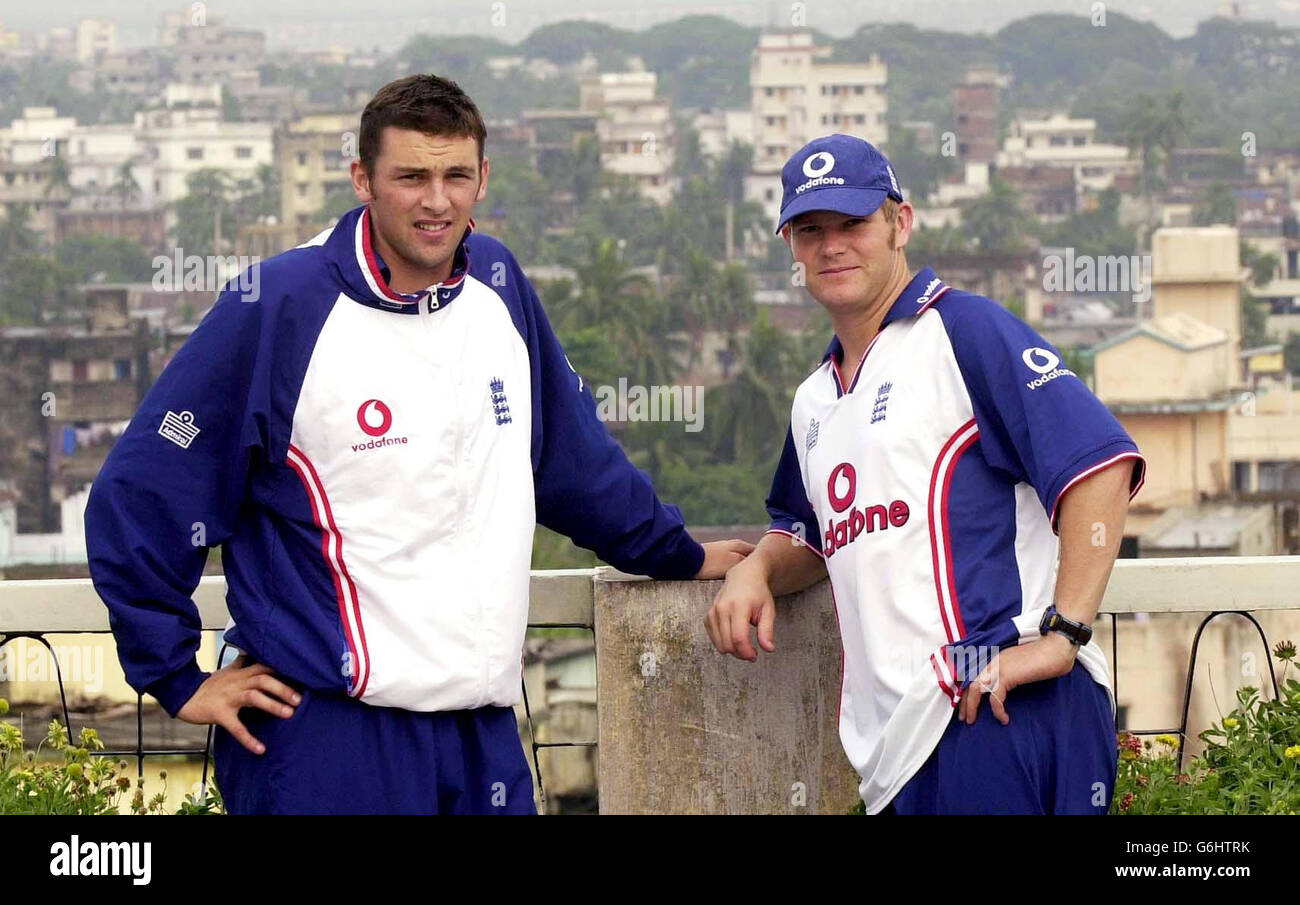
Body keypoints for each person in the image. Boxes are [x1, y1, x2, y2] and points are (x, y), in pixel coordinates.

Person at [85, 74, 750, 815]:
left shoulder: (499, 283)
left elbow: (573, 460)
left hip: (481, 731)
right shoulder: (280, 304)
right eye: (411, 176)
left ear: (482, 178)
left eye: (455, 176)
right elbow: (144, 487)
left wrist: (680, 554)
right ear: (362, 177)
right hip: (328, 737)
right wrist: (175, 675)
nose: (437, 201)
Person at [706, 134, 1145, 815]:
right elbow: (812, 535)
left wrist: (1064, 636)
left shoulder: (964, 333)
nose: (831, 246)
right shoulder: (814, 400)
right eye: (809, 229)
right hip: (899, 749)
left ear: (899, 223)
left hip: (995, 702)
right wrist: (756, 569)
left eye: (852, 222)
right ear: (790, 244)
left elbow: (1099, 466)